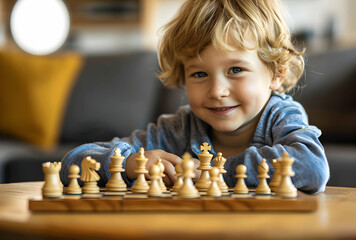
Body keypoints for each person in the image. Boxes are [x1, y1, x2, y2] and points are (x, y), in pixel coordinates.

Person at [60, 0, 329, 194]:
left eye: (236, 70)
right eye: (199, 74)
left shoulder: (281, 117)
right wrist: (129, 164)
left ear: (276, 74)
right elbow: (73, 162)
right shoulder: (179, 128)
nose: (216, 91)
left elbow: (312, 167)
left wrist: (211, 173)